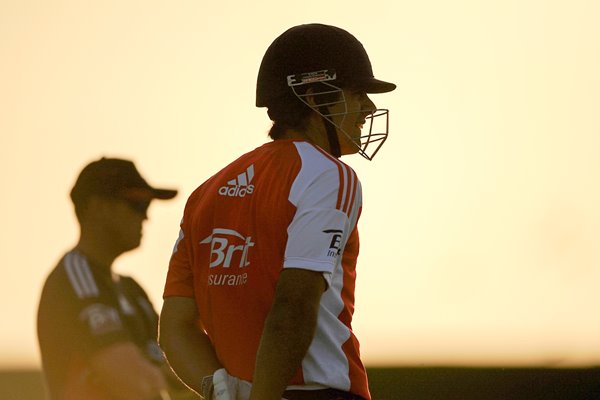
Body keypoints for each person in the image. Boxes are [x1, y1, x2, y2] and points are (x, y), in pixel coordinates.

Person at [159, 23, 396, 400]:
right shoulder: (329, 175)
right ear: (316, 97)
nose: (367, 107)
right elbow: (294, 304)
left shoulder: (206, 193)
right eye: (356, 93)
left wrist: (219, 390)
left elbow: (175, 327)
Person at [37, 157, 185, 400]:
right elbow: (137, 383)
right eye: (138, 205)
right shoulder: (75, 277)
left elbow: (178, 373)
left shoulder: (132, 289)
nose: (146, 218)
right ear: (97, 207)